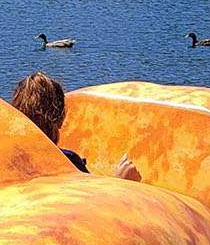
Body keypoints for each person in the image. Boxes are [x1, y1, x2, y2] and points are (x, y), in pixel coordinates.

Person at [8, 72, 141, 180]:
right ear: (61, 118)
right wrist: (121, 182)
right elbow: (90, 206)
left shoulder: (6, 161)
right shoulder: (67, 163)